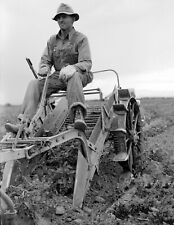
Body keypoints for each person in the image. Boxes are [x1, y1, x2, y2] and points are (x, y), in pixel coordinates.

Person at [5, 3, 93, 133]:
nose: (61, 20)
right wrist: (44, 67)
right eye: (58, 18)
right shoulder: (52, 41)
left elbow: (86, 62)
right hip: (59, 77)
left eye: (64, 16)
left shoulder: (81, 39)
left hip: (80, 75)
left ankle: (78, 115)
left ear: (73, 19)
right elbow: (45, 60)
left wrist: (73, 68)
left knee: (73, 76)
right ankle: (24, 123)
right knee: (34, 84)